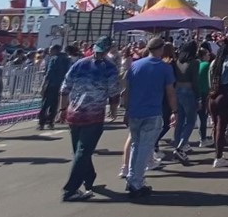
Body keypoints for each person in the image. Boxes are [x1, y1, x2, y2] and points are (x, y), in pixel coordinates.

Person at [58, 36, 121, 202]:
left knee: (79, 150)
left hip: (74, 112)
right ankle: (71, 189)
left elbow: (65, 88)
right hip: (93, 114)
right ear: (108, 49)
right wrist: (114, 110)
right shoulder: (110, 68)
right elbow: (114, 92)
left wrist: (62, 108)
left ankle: (89, 177)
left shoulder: (79, 63)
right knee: (83, 151)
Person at [122, 37, 175, 200]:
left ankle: (132, 178)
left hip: (135, 111)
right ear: (160, 49)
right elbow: (170, 92)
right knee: (144, 148)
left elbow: (126, 89)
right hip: (152, 112)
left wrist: (126, 109)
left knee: (136, 146)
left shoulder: (135, 65)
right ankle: (136, 182)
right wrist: (175, 110)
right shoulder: (165, 68)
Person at [171, 41, 200, 162]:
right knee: (191, 121)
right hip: (188, 91)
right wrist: (198, 97)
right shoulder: (194, 63)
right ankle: (181, 146)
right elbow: (195, 81)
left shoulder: (177, 61)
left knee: (180, 120)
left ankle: (177, 144)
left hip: (177, 90)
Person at [209, 38, 228, 167]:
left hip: (213, 95)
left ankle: (218, 154)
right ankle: (218, 157)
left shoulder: (214, 62)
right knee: (221, 127)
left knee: (215, 126)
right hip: (224, 95)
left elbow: (210, 80)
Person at [39, 45, 71, 130]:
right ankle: (51, 122)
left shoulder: (54, 59)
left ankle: (41, 122)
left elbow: (49, 73)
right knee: (54, 104)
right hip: (61, 84)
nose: (49, 51)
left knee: (45, 104)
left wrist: (43, 85)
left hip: (52, 84)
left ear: (55, 50)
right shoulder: (67, 59)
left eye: (50, 50)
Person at [196, 46, 212, 147]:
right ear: (203, 56)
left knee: (200, 116)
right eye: (207, 54)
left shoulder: (197, 64)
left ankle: (202, 137)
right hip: (205, 92)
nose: (209, 55)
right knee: (203, 117)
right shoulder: (207, 65)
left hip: (197, 92)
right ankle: (203, 139)